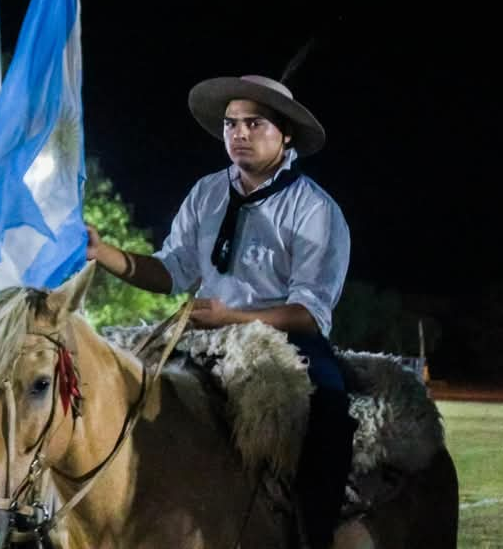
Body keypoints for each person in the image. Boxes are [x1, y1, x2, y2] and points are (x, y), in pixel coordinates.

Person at [86, 75, 354, 549]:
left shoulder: (314, 209)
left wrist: (233, 318)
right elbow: (172, 271)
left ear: (286, 133)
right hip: (207, 333)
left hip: (283, 342)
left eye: (254, 123)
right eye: (232, 123)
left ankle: (314, 535)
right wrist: (104, 252)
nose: (239, 133)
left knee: (329, 411)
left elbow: (310, 313)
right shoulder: (207, 192)